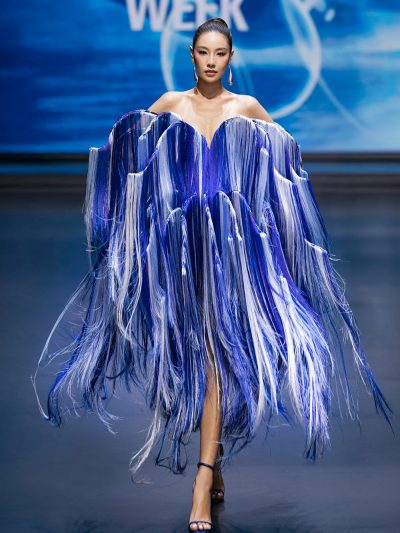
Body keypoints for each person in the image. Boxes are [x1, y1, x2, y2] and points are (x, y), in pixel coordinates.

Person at [31, 17, 393, 533]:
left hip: (231, 258)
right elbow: (130, 161)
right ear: (191, 55)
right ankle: (215, 459)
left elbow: (285, 166)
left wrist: (264, 228)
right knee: (194, 359)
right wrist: (133, 228)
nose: (211, 62)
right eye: (203, 52)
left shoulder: (246, 109)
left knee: (216, 355)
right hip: (178, 258)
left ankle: (201, 483)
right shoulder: (169, 104)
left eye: (220, 53)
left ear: (231, 58)